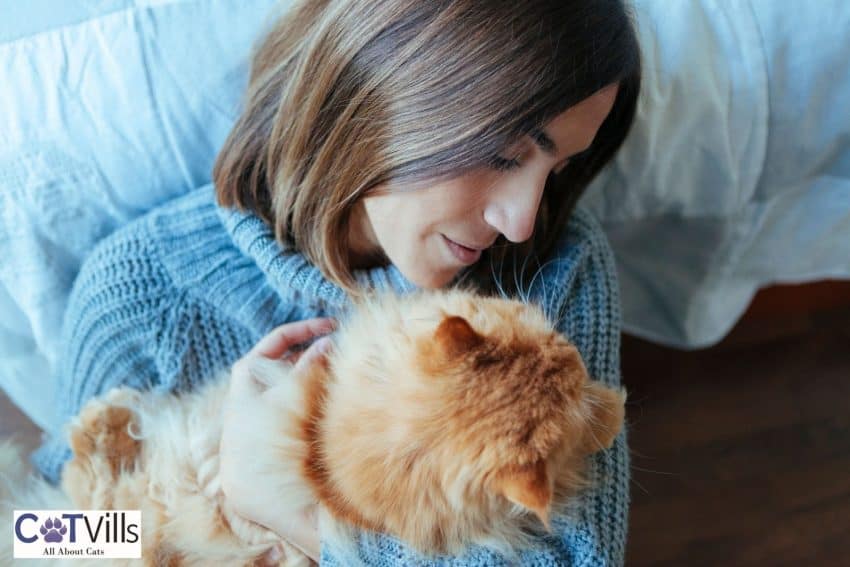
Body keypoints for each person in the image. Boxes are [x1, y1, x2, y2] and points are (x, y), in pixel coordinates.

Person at [32, 0, 641, 564]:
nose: (521, 219)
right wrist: (185, 503)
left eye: (556, 170)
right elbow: (43, 538)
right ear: (381, 93)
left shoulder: (553, 268)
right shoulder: (141, 290)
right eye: (505, 153)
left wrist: (286, 511)